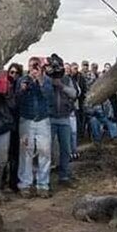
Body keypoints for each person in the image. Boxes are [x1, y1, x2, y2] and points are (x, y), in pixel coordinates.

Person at [17, 57, 53, 198]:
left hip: (43, 120)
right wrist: (23, 88)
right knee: (26, 153)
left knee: (45, 152)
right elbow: (17, 99)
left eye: (36, 66)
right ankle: (25, 184)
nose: (34, 69)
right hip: (27, 120)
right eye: (32, 66)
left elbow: (48, 95)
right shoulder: (23, 80)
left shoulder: (46, 80)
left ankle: (43, 185)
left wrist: (40, 80)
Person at [47, 56, 78, 187]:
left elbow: (74, 93)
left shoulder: (67, 79)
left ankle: (64, 176)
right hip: (49, 118)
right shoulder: (46, 79)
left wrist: (61, 85)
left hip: (64, 117)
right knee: (47, 149)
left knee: (66, 148)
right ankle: (45, 179)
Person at [6, 63, 23, 192]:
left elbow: (17, 105)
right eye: (12, 72)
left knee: (15, 155)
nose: (14, 75)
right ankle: (2, 181)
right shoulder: (6, 86)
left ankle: (13, 181)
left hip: (17, 124)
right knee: (5, 156)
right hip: (6, 124)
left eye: (16, 73)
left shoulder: (21, 87)